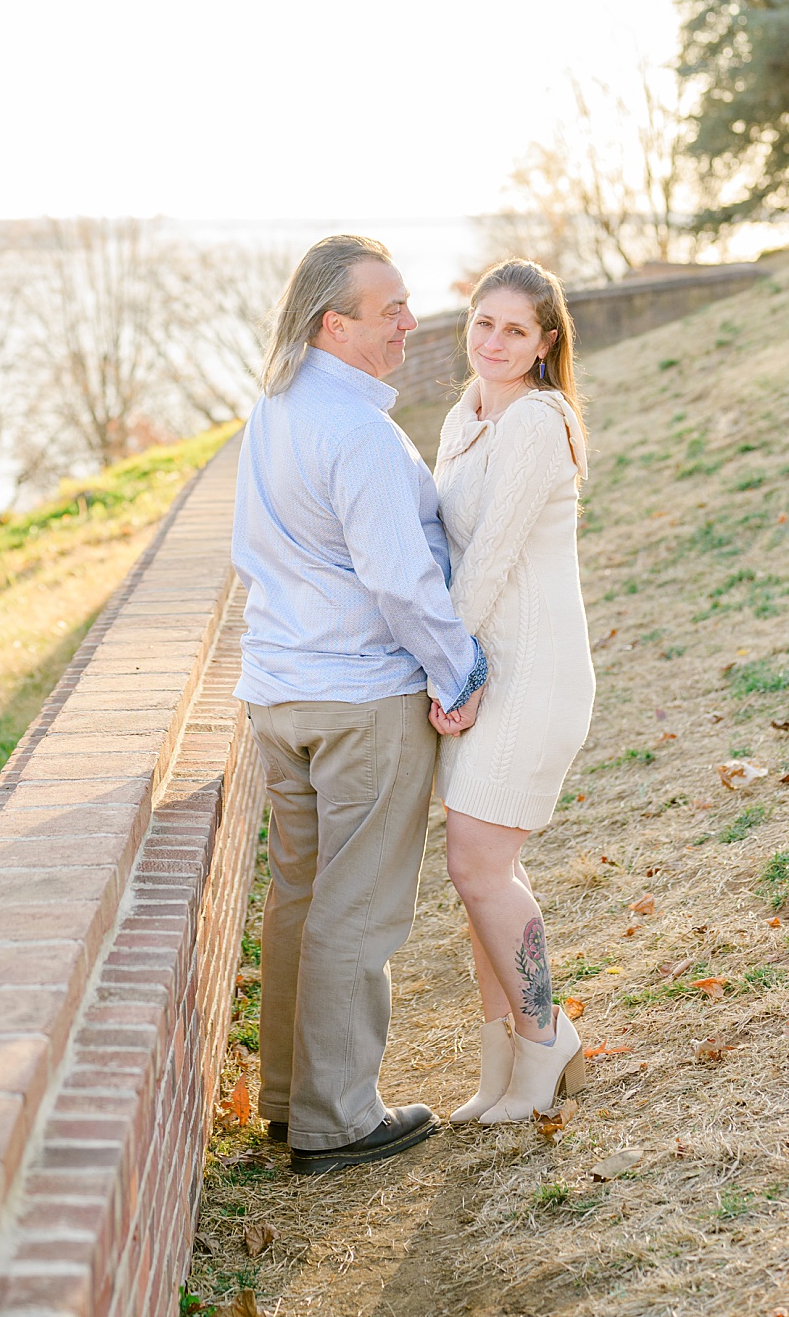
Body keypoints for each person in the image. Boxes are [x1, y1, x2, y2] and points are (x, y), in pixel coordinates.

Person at [232, 233, 487, 1177]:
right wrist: (458, 671)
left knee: (301, 895)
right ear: (334, 324)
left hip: (282, 696)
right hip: (360, 701)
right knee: (357, 909)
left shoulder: (274, 411)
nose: (410, 324)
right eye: (390, 311)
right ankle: (336, 1120)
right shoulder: (361, 436)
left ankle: (288, 1101)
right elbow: (402, 581)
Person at [433, 259, 594, 1123]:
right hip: (483, 669)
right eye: (482, 323)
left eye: (515, 330)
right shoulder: (466, 416)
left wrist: (447, 668)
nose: (493, 343)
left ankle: (544, 1040)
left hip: (532, 674)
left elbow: (489, 556)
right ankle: (498, 1062)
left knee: (479, 864)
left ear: (545, 343)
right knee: (479, 874)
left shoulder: (535, 419)